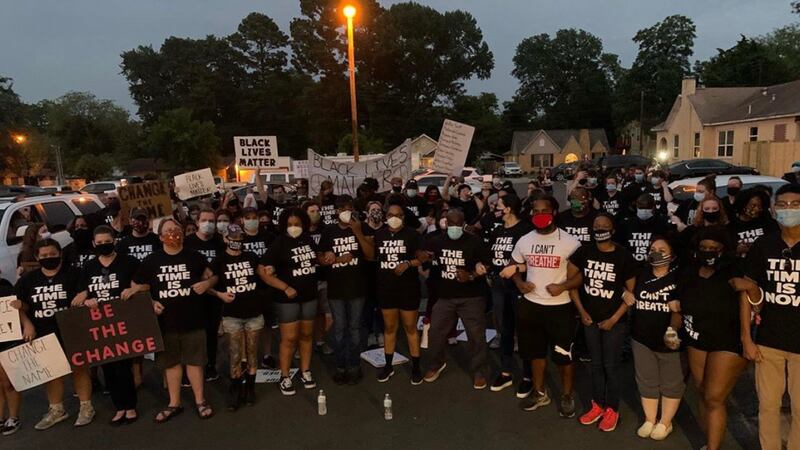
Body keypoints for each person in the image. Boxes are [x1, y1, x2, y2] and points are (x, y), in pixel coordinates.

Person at [671, 226, 759, 450]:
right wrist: (672, 329)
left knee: (714, 397)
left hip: (728, 341)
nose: (708, 251)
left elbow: (753, 305)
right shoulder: (689, 272)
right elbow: (678, 305)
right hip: (696, 338)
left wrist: (751, 288)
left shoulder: (734, 270)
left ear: (724, 249)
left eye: (714, 248)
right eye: (703, 247)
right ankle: (710, 442)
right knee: (703, 393)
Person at [500, 195, 582, 417]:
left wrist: (563, 286)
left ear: (554, 212)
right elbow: (513, 265)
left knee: (564, 356)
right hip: (531, 306)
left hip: (560, 307)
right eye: (535, 211)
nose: (539, 215)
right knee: (535, 354)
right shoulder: (525, 240)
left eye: (544, 211)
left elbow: (581, 275)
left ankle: (566, 395)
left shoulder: (570, 242)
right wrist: (520, 283)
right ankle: (539, 392)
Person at [133, 218, 217, 422]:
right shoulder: (152, 260)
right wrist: (151, 302)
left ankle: (200, 401)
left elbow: (213, 276)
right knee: (171, 364)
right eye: (168, 230)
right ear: (161, 237)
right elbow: (136, 285)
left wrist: (206, 285)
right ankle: (174, 403)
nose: (174, 233)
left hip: (193, 319)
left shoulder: (194, 256)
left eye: (176, 229)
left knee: (195, 362)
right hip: (165, 323)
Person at [743, 183, 800, 450]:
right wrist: (746, 338)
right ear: (774, 209)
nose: (788, 209)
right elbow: (747, 289)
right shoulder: (764, 244)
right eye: (783, 204)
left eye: (795, 205)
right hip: (768, 340)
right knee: (768, 406)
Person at [15, 239, 95, 429]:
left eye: (52, 254)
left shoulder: (75, 273)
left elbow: (89, 290)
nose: (49, 258)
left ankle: (86, 407)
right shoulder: (27, 279)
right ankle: (57, 409)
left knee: (80, 369)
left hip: (72, 329)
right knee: (51, 373)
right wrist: (27, 324)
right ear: (37, 257)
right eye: (44, 255)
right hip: (43, 332)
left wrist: (84, 294)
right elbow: (20, 306)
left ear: (60, 254)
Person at [569, 214, 637, 432]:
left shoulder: (623, 256)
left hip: (614, 322)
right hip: (590, 320)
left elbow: (631, 294)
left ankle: (612, 409)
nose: (600, 229)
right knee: (596, 365)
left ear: (613, 230)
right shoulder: (584, 252)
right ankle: (597, 405)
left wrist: (614, 319)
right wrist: (582, 312)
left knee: (611, 366)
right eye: (596, 225)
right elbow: (571, 284)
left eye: (605, 226)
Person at [71, 225, 140, 425]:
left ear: (114, 241)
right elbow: (82, 291)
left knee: (124, 366)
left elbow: (143, 283)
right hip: (100, 323)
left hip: (122, 320)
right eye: (99, 242)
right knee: (108, 368)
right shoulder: (89, 267)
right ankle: (119, 407)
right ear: (94, 244)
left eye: (107, 241)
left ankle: (130, 406)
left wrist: (133, 290)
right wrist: (86, 299)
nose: (104, 245)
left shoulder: (129, 262)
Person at [423, 209, 491, 389]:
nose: (454, 227)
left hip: (471, 297)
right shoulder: (436, 241)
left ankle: (478, 370)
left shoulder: (474, 242)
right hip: (445, 296)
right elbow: (426, 258)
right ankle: (437, 363)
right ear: (446, 223)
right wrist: (423, 259)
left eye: (457, 224)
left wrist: (471, 275)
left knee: (476, 335)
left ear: (463, 224)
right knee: (435, 332)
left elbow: (487, 264)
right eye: (451, 224)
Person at [627, 237, 684, 440]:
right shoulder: (640, 274)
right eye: (653, 249)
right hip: (641, 338)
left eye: (662, 250)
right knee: (646, 380)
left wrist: (673, 328)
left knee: (672, 382)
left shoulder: (679, 276)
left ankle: (665, 422)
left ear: (672, 255)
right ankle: (650, 419)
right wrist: (625, 293)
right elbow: (623, 286)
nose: (656, 253)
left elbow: (683, 306)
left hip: (669, 340)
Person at [259, 208, 320, 395]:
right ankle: (284, 376)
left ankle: (305, 370)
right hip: (287, 300)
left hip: (309, 295)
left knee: (307, 335)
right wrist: (284, 287)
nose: (294, 227)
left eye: (297, 224)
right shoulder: (279, 242)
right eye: (290, 224)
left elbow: (316, 260)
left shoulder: (308, 239)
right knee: (289, 338)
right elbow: (261, 270)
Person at [319, 195, 374, 384]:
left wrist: (357, 231)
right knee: (339, 329)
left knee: (355, 328)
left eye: (349, 208)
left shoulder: (361, 227)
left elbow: (370, 254)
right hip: (336, 288)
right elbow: (320, 258)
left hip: (357, 287)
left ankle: (355, 366)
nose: (345, 212)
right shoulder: (329, 231)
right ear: (336, 211)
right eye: (342, 209)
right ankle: (341, 366)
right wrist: (328, 257)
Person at [209, 224, 264, 411]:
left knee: (252, 352)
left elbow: (263, 275)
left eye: (240, 238)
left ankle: (250, 388)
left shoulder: (251, 256)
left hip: (254, 312)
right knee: (234, 354)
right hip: (232, 314)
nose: (237, 242)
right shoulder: (219, 260)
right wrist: (219, 295)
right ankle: (235, 389)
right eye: (234, 238)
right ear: (226, 238)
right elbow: (207, 283)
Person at [372, 204, 426, 384]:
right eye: (390, 215)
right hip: (386, 289)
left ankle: (416, 367)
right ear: (386, 216)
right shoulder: (379, 235)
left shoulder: (413, 235)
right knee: (389, 328)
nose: (394, 218)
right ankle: (388, 366)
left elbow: (423, 258)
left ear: (403, 217)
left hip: (408, 288)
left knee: (410, 327)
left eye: (398, 215)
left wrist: (408, 263)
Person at [487, 195, 535, 396]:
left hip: (518, 289)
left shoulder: (525, 231)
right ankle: (506, 371)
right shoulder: (498, 230)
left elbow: (532, 260)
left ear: (508, 209)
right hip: (500, 288)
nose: (494, 208)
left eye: (498, 206)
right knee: (505, 331)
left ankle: (528, 376)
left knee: (524, 333)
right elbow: (492, 255)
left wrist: (517, 271)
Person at [185, 208, 225, 382]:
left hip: (214, 296)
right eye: (204, 220)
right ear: (197, 223)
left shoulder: (220, 242)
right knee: (192, 334)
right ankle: (191, 368)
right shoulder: (188, 242)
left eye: (211, 221)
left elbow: (223, 268)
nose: (208, 224)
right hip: (192, 296)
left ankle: (210, 366)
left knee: (211, 334)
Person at [0, 275, 33, 435]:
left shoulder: (4, 289)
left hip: (7, 339)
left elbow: (18, 308)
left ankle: (13, 417)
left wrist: (27, 324)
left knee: (8, 382)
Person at [615, 194, 673, 263]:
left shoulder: (661, 224)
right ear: (636, 207)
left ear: (653, 208)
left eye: (647, 208)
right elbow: (619, 245)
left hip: (653, 263)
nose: (644, 210)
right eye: (641, 208)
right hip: (630, 264)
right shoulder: (626, 224)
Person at [729, 188, 779, 258]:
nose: (757, 209)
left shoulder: (768, 223)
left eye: (760, 206)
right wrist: (736, 250)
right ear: (743, 204)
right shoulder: (730, 227)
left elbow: (777, 244)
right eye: (753, 205)